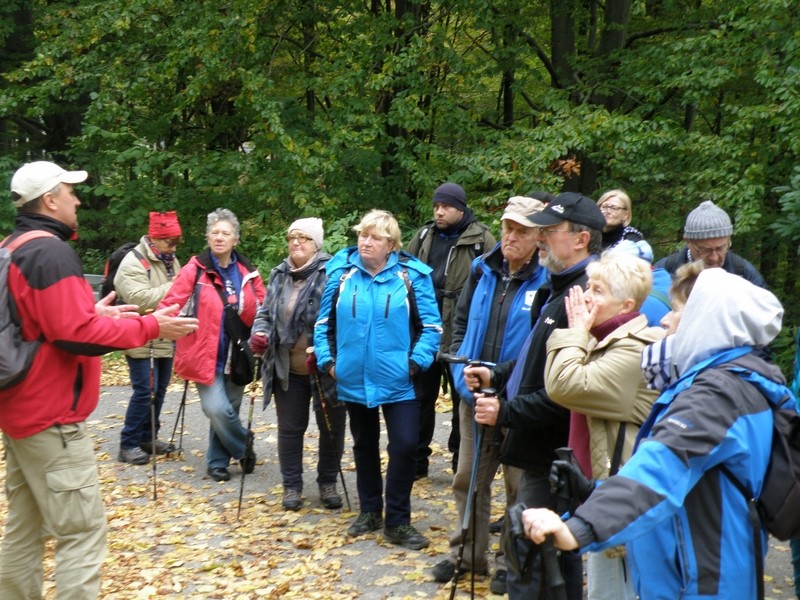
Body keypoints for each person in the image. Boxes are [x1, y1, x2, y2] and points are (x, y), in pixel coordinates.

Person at [523, 266, 788, 600]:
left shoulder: (716, 397)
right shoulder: (724, 384)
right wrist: (595, 489)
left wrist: (577, 528)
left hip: (700, 581)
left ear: (707, 322)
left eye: (676, 311)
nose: (664, 320)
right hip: (692, 569)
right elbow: (694, 479)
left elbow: (661, 468)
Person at [0, 161, 198, 599]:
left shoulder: (15, 245)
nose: (77, 199)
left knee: (25, 529)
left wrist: (99, 312)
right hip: (51, 418)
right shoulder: (50, 253)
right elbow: (77, 336)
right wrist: (150, 327)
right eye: (70, 192)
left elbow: (43, 323)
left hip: (21, 414)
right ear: (49, 200)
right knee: (82, 534)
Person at [466, 191, 606, 599]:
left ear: (581, 238)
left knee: (536, 556)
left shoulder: (584, 296)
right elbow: (536, 359)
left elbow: (568, 390)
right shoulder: (557, 287)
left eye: (550, 230)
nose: (540, 238)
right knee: (531, 553)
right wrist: (497, 374)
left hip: (557, 454)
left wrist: (505, 411)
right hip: (538, 447)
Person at [430, 196, 547, 594]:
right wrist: (462, 376)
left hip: (517, 403)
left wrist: (513, 390)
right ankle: (466, 555)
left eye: (521, 231)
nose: (511, 236)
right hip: (474, 396)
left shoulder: (547, 282)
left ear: (539, 237)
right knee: (468, 479)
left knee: (517, 486)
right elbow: (459, 324)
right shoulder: (483, 271)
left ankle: (506, 561)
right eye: (507, 228)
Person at [314, 209, 442, 550]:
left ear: (391, 244)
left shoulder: (412, 276)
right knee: (364, 444)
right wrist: (329, 364)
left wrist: (415, 363)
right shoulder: (340, 273)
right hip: (353, 377)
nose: (366, 241)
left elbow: (431, 326)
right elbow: (322, 324)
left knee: (404, 446)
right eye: (362, 235)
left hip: (400, 380)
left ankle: (398, 521)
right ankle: (370, 511)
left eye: (375, 237)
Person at [543, 251, 664, 600]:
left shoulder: (632, 350)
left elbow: (562, 385)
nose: (586, 297)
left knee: (611, 592)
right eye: (588, 286)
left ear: (626, 305)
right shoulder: (604, 341)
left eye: (598, 291)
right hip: (598, 492)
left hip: (620, 497)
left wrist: (576, 332)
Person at [160, 208, 265, 483]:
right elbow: (170, 304)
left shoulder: (248, 272)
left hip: (239, 353)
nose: (219, 238)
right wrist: (165, 323)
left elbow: (263, 307)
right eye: (215, 233)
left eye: (225, 233)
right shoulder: (194, 269)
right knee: (216, 409)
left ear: (235, 240)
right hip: (203, 353)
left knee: (228, 409)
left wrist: (262, 335)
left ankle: (217, 462)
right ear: (208, 237)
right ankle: (243, 445)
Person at [249, 217, 346, 511]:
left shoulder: (333, 273)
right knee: (290, 429)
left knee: (331, 428)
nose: (296, 243)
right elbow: (265, 313)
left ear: (316, 243)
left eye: (303, 238)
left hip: (325, 368)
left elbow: (343, 320)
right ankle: (292, 486)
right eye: (292, 237)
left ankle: (327, 482)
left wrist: (327, 350)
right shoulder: (279, 274)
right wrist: (260, 333)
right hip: (287, 366)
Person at [406, 182, 495, 478]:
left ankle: (461, 462)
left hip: (463, 329)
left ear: (461, 208)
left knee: (462, 397)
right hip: (426, 328)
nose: (439, 211)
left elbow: (493, 283)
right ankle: (417, 462)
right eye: (436, 206)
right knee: (420, 397)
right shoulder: (423, 236)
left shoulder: (481, 239)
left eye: (445, 206)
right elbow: (404, 274)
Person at [115, 211, 184, 465]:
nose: (174, 248)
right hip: (138, 334)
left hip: (165, 333)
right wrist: (176, 285)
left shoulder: (170, 259)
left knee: (161, 389)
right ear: (154, 238)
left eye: (176, 243)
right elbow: (138, 298)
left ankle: (148, 437)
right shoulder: (133, 261)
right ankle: (128, 443)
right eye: (170, 242)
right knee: (145, 391)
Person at [655, 199, 765, 287]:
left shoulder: (744, 274)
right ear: (688, 242)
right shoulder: (664, 272)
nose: (714, 258)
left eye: (721, 248)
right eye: (705, 250)